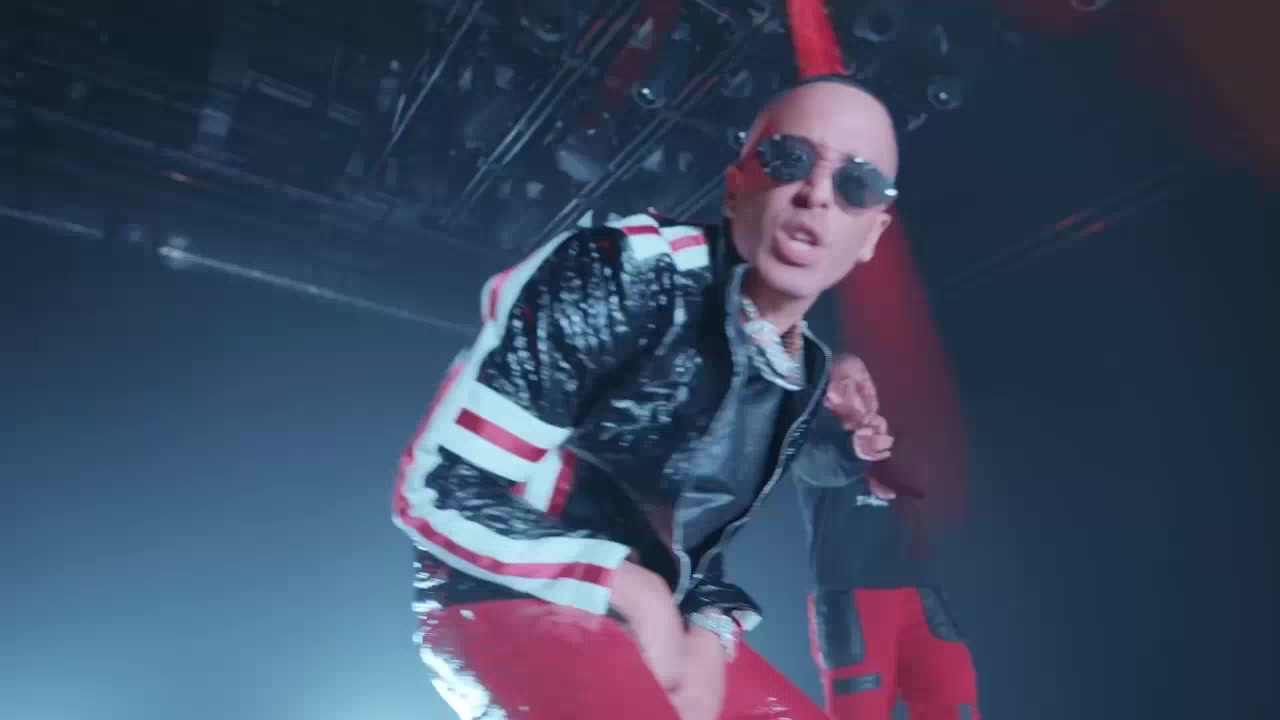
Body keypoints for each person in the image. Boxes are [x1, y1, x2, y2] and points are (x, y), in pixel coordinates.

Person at [391, 75, 900, 719]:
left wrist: (711, 629)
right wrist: (629, 588)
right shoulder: (623, 272)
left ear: (874, 234)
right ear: (736, 186)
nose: (817, 193)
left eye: (856, 183)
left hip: (653, 617)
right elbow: (441, 488)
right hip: (498, 593)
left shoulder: (802, 374)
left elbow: (691, 546)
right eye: (789, 159)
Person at [794, 354, 982, 719]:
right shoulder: (810, 440)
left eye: (864, 377)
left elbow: (925, 484)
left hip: (920, 596)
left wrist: (885, 455)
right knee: (860, 711)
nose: (862, 388)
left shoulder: (898, 437)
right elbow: (817, 465)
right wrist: (856, 449)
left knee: (954, 696)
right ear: (827, 398)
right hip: (853, 598)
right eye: (846, 383)